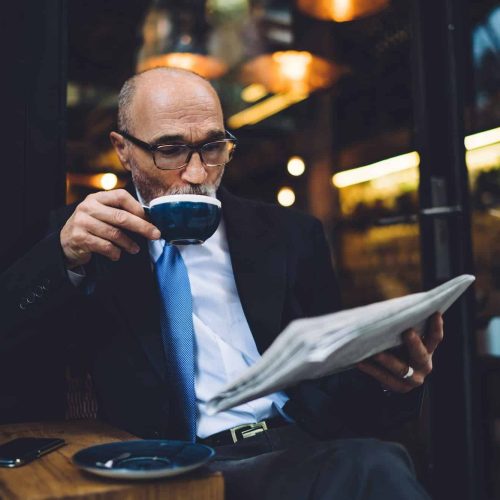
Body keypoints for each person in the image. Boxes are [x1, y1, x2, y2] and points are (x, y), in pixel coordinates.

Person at [0, 67, 442, 499]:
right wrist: (63, 259)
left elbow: (328, 383)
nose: (196, 173)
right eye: (170, 150)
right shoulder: (83, 237)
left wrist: (392, 380)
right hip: (167, 465)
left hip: (294, 447)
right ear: (123, 149)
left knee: (374, 463)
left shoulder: (290, 235)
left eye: (213, 147)